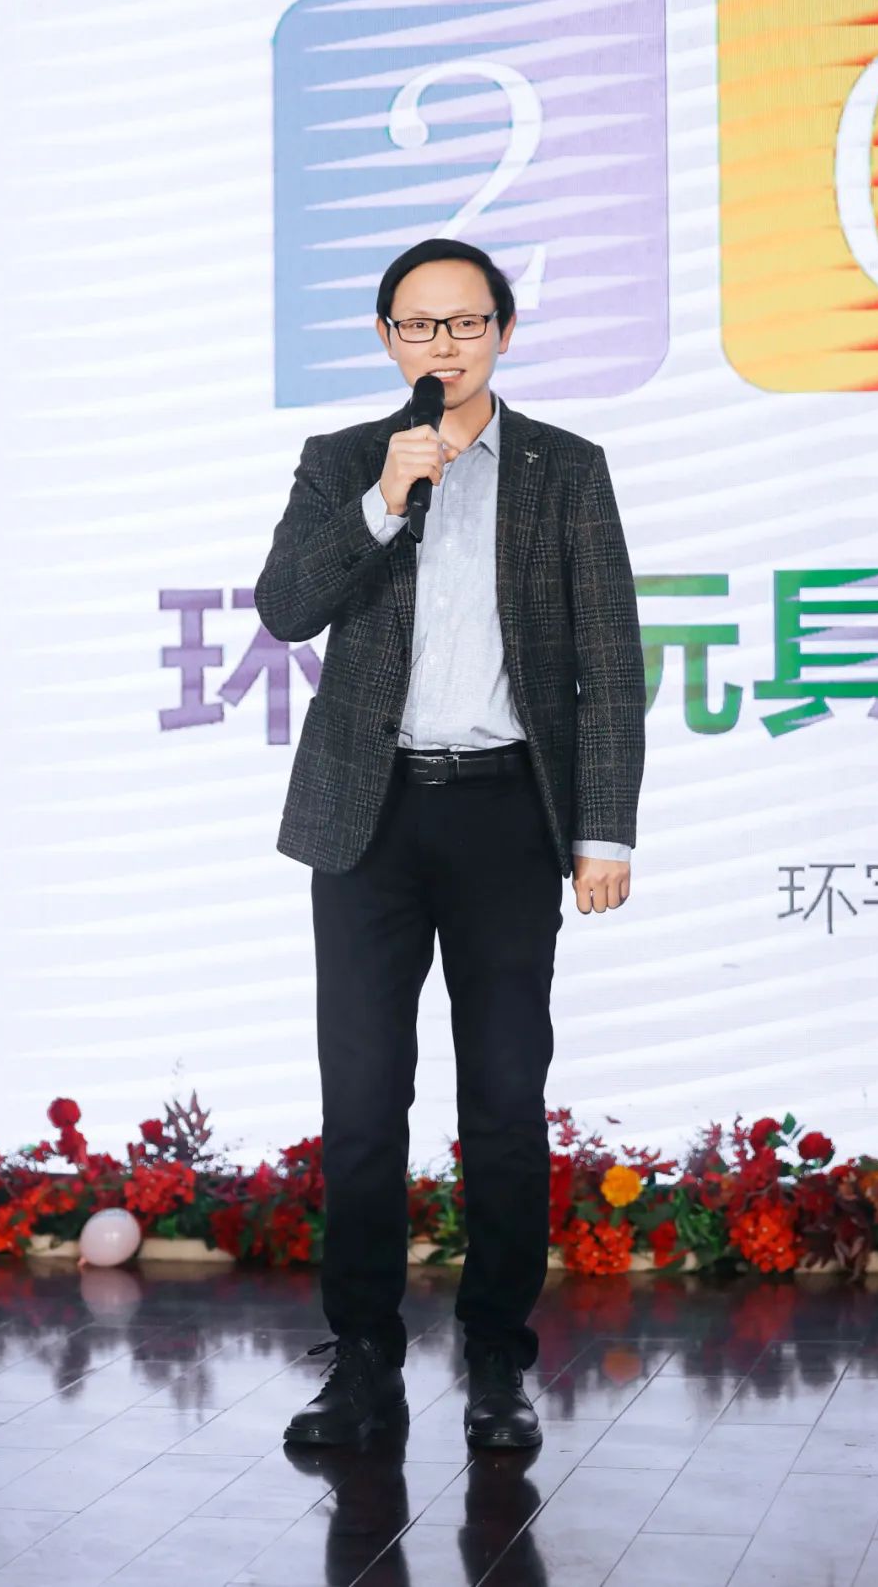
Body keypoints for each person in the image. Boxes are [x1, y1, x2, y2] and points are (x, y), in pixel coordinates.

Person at [254, 236, 646, 1449]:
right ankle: (364, 1358)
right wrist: (384, 500)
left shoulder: (564, 468)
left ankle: (495, 1362)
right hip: (366, 818)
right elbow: (285, 607)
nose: (445, 344)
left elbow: (609, 662)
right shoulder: (343, 462)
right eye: (420, 326)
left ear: (504, 333)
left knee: (506, 1100)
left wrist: (604, 828)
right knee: (364, 1103)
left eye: (466, 322)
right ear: (388, 340)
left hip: (505, 815)